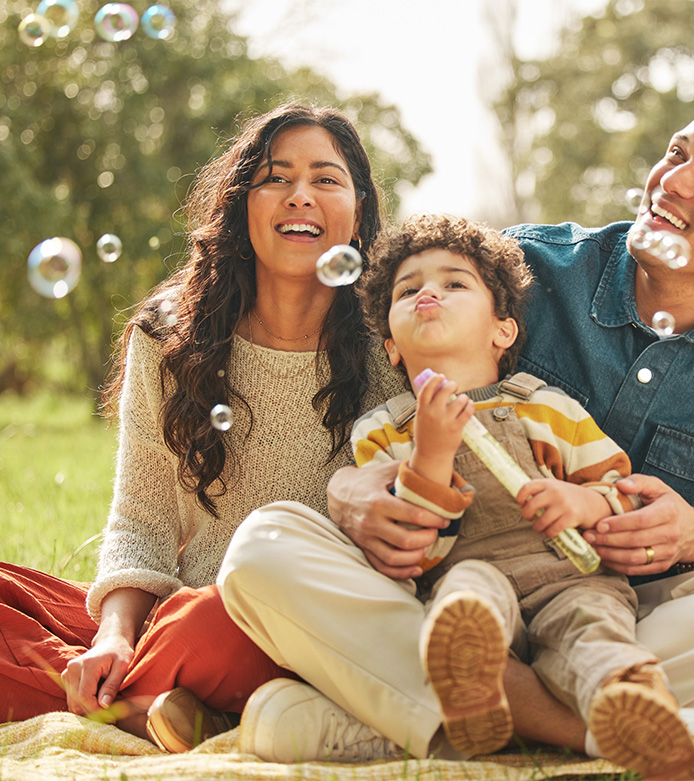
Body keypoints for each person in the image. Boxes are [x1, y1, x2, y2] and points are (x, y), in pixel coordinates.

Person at [218, 86, 694, 779]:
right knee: (262, 549)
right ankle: (624, 733)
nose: (672, 181)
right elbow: (392, 395)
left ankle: (400, 720)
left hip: (628, 617)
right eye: (679, 153)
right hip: (453, 596)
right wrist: (351, 492)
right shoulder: (524, 269)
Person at [0, 102, 406, 747]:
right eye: (276, 177)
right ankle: (151, 699)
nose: (300, 194)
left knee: (215, 619)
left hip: (289, 631)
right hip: (170, 622)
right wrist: (113, 638)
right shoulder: (171, 337)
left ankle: (115, 701)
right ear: (242, 203)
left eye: (326, 179)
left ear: (359, 212)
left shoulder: (395, 347)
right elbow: (142, 521)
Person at [344, 213, 694, 778]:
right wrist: (431, 456)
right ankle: (471, 680)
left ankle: (634, 704)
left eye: (454, 283)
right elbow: (413, 550)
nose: (428, 295)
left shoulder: (546, 406)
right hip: (466, 575)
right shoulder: (383, 431)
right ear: (391, 346)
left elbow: (621, 488)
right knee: (465, 600)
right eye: (409, 289)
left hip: (570, 575)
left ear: (503, 329)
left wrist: (584, 503)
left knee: (593, 628)